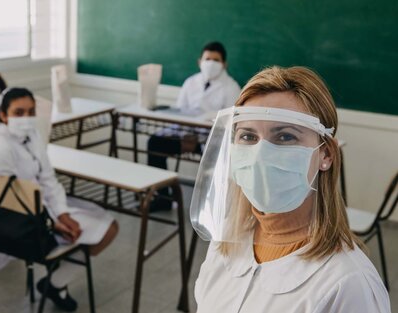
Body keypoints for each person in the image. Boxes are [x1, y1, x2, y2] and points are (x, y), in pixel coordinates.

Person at [191, 66, 390, 312]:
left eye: (285, 137)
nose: (259, 156)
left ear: (325, 154)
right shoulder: (227, 244)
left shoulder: (348, 284)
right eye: (248, 137)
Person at [0, 88, 118, 312]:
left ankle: (56, 280)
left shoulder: (31, 135)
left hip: (38, 210)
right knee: (104, 230)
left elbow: (47, 177)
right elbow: (16, 201)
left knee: (100, 222)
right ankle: (55, 283)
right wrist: (54, 222)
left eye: (30, 112)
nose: (26, 119)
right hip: (12, 224)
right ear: (3, 115)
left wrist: (62, 213)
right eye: (18, 113)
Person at [147, 41, 241, 211]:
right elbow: (180, 112)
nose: (211, 63)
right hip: (185, 135)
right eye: (207, 59)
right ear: (200, 61)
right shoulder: (190, 82)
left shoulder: (232, 87)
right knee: (155, 142)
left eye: (216, 60)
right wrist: (186, 135)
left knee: (218, 159)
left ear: (224, 64)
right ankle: (163, 197)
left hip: (212, 141)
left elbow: (231, 123)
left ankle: (213, 207)